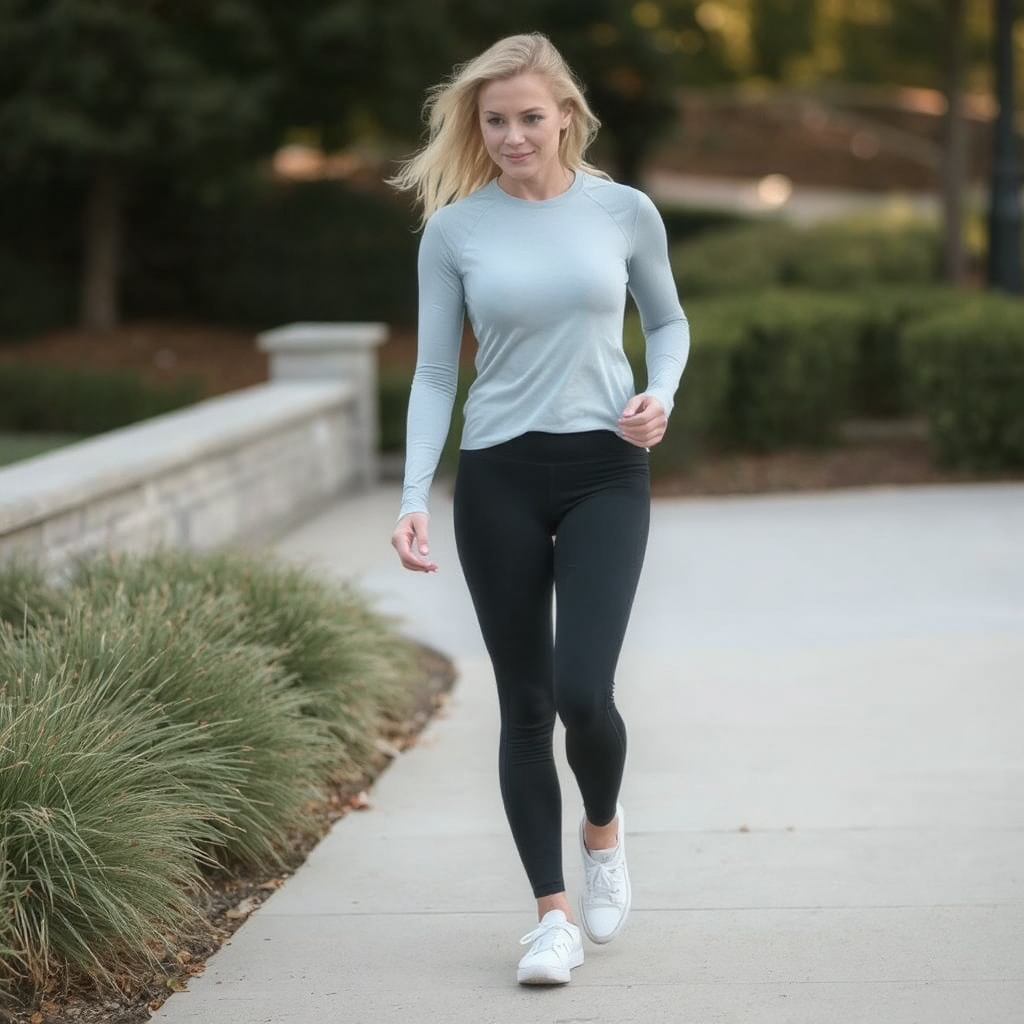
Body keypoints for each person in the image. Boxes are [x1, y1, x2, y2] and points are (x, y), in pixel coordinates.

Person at [388, 32, 689, 986]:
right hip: (497, 479)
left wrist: (661, 395)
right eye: (494, 120)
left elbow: (669, 321)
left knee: (582, 694)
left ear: (565, 114)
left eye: (529, 116)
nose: (513, 135)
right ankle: (551, 917)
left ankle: (603, 830)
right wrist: (412, 497)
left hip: (606, 469)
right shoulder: (456, 231)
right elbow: (438, 372)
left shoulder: (624, 211)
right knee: (523, 708)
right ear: (475, 127)